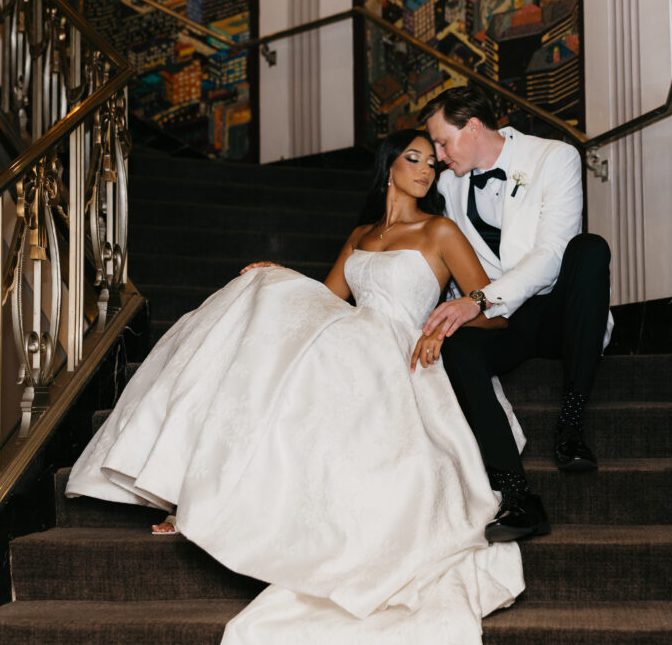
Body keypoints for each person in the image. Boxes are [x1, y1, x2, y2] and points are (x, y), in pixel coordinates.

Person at [65, 130, 524, 643]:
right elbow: (329, 299)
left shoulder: (440, 231)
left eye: (431, 164)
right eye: (412, 159)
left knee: (308, 373)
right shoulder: (360, 235)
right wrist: (280, 277)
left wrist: (441, 326)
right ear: (388, 166)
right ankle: (200, 490)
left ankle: (221, 503)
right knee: (263, 317)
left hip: (401, 348)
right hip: (352, 333)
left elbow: (491, 313)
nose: (425, 170)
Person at [418, 86, 614, 544]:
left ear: (472, 127)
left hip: (557, 312)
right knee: (459, 345)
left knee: (589, 251)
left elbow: (550, 253)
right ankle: (517, 495)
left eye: (444, 142)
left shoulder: (555, 157)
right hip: (507, 322)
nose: (439, 156)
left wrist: (479, 300)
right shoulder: (448, 184)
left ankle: (570, 423)